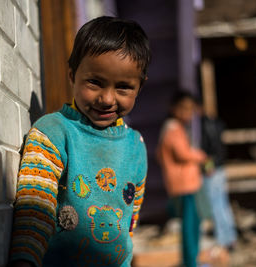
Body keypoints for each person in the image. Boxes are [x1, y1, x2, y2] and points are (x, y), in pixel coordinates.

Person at [9, 16, 151, 267]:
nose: (107, 99)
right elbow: (35, 208)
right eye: (95, 82)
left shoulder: (136, 146)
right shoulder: (53, 133)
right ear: (72, 75)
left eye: (123, 87)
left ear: (140, 87)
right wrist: (25, 260)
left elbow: (130, 221)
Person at [157, 91, 207, 267]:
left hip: (188, 184)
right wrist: (201, 156)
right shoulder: (172, 129)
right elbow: (182, 153)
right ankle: (190, 262)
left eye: (190, 109)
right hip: (183, 185)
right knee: (189, 226)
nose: (188, 113)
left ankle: (193, 260)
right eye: (184, 108)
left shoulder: (177, 127)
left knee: (194, 224)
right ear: (173, 109)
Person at [199, 106, 237, 253]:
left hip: (213, 169)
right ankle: (230, 238)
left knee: (216, 204)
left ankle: (223, 240)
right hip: (219, 167)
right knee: (222, 203)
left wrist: (209, 166)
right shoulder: (216, 123)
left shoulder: (203, 125)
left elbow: (210, 149)